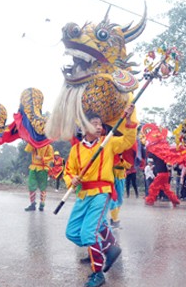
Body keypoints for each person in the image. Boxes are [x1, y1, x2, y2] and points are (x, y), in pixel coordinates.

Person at [63, 105, 137, 287]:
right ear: (83, 127)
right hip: (83, 194)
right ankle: (104, 248)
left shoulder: (108, 142)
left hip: (102, 192)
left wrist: (127, 121)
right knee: (72, 232)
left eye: (99, 124)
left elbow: (128, 141)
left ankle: (97, 273)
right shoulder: (75, 150)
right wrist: (71, 179)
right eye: (94, 123)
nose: (98, 127)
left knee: (88, 232)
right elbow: (68, 171)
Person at [24, 142, 54, 211]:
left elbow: (51, 158)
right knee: (31, 186)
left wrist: (42, 158)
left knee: (43, 187)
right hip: (33, 167)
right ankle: (32, 204)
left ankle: (42, 204)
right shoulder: (34, 144)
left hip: (43, 168)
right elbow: (27, 149)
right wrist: (31, 141)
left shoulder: (49, 146)